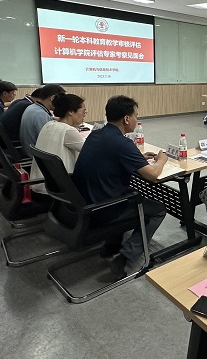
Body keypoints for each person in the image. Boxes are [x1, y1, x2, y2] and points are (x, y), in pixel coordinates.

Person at [72, 95, 168, 278]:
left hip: (83, 202)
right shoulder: (122, 143)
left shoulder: (96, 134)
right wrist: (162, 160)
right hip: (101, 209)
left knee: (130, 192)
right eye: (136, 116)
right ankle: (125, 257)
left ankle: (111, 246)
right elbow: (153, 175)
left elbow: (109, 157)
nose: (137, 120)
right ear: (126, 119)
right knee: (158, 209)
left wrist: (137, 158)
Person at [29, 94, 87, 199]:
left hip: (44, 184)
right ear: (71, 112)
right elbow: (90, 151)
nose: (84, 115)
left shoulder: (49, 124)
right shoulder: (68, 131)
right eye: (83, 111)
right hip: (60, 189)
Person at [19, 84, 65, 156]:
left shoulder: (33, 107)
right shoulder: (40, 114)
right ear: (52, 98)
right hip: (37, 156)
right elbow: (49, 140)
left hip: (30, 150)